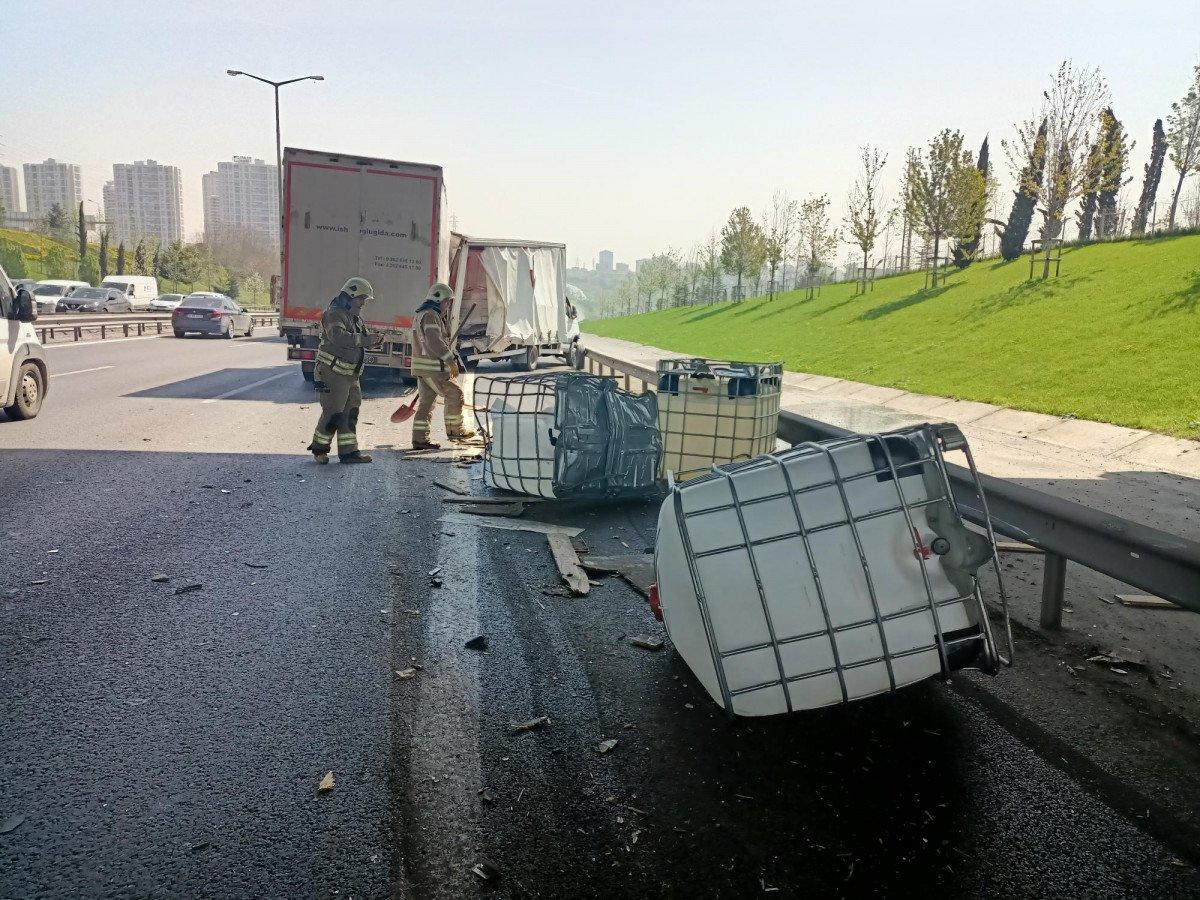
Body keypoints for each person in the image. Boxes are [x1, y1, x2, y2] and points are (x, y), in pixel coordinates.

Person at [306, 277, 383, 464]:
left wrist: (374, 341)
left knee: (350, 412)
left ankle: (349, 452)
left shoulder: (354, 317)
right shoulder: (334, 314)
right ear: (349, 296)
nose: (363, 303)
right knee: (333, 412)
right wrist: (366, 340)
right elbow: (338, 337)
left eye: (364, 299)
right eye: (361, 298)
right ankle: (319, 449)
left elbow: (360, 339)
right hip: (333, 372)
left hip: (350, 374)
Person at [410, 282, 475, 449]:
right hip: (433, 368)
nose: (448, 305)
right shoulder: (431, 315)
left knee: (426, 403)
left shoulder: (420, 314)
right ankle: (455, 431)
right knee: (455, 394)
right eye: (447, 301)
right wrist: (450, 360)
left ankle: (419, 439)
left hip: (422, 367)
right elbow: (434, 341)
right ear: (439, 300)